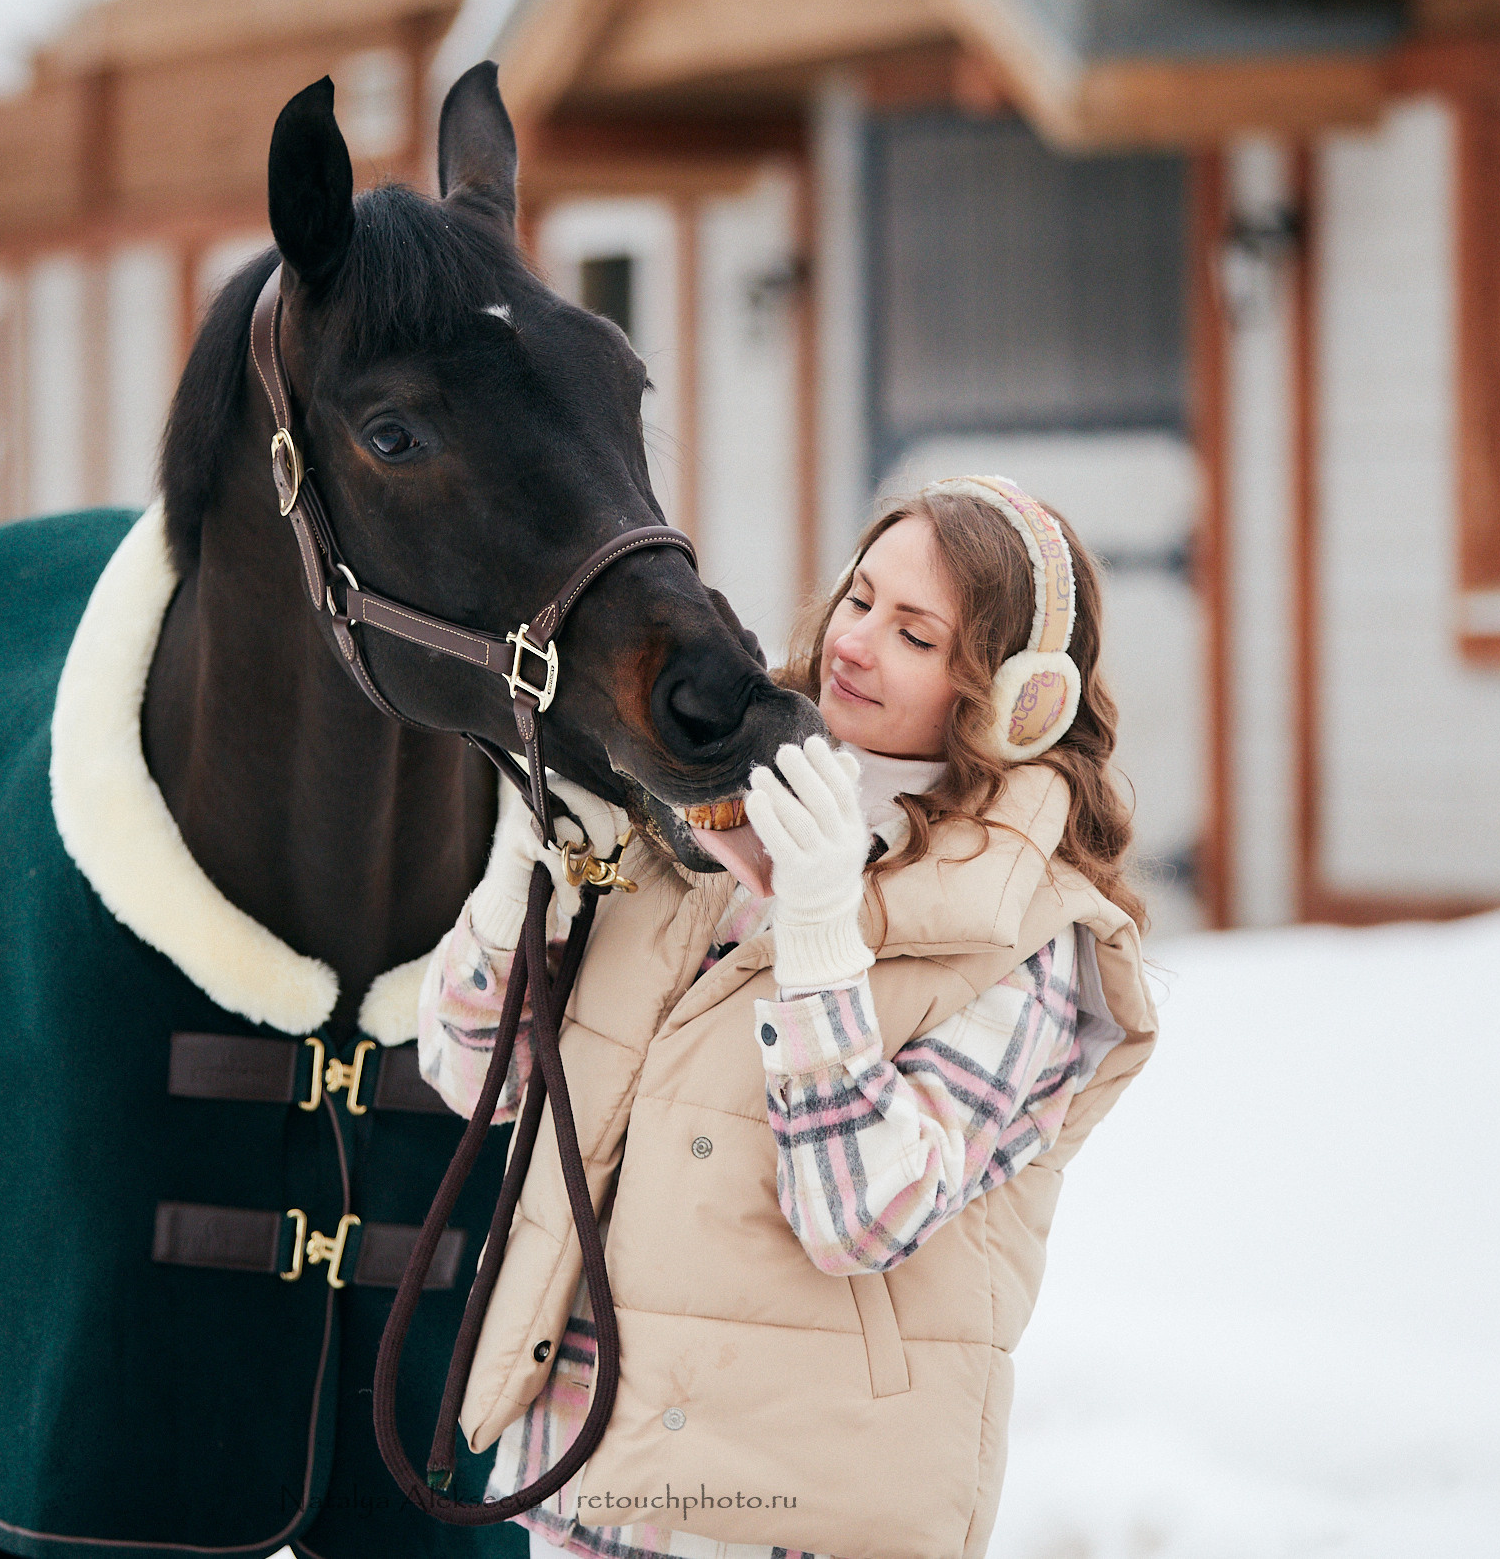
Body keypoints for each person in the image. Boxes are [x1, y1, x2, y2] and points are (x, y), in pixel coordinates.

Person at [414, 476, 1158, 1559]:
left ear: (1009, 696)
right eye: (859, 599)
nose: (855, 643)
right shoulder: (696, 823)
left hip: (787, 1521)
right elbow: (464, 1064)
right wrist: (516, 879)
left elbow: (861, 1220)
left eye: (913, 633)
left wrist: (819, 941)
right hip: (587, 1483)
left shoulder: (1026, 937)